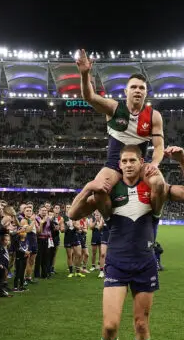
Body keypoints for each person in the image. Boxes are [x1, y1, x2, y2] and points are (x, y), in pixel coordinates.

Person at [69, 145, 184, 340]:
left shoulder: (155, 189)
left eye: (133, 160)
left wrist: (182, 160)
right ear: (119, 165)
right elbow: (73, 214)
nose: (128, 165)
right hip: (116, 264)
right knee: (110, 325)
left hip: (144, 263)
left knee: (141, 325)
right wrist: (88, 187)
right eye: (124, 161)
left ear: (142, 163)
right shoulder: (109, 191)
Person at [69, 50, 166, 219]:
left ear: (146, 93)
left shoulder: (154, 116)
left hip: (140, 165)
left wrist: (155, 164)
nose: (137, 90)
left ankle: (155, 217)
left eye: (141, 88)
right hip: (114, 165)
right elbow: (89, 97)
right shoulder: (114, 108)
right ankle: (109, 219)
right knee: (97, 190)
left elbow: (159, 147)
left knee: (159, 183)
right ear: (125, 91)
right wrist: (85, 74)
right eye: (133, 87)